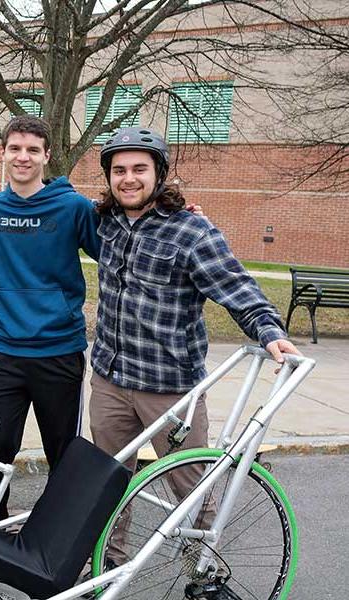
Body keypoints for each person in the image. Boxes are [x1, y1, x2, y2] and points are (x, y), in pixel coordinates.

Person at [88, 126, 300, 566]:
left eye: (140, 169)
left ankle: (202, 564)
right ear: (108, 176)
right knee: (107, 482)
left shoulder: (192, 231)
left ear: (160, 173)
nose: (129, 178)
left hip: (170, 388)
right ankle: (107, 563)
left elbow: (236, 286)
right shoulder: (103, 221)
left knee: (189, 484)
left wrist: (270, 331)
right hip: (109, 380)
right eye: (119, 170)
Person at [0, 115, 101, 521]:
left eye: (32, 150)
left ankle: (56, 529)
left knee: (62, 450)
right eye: (15, 148)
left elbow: (120, 247)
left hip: (60, 351)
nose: (23, 157)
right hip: (7, 350)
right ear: (3, 153)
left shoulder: (74, 207)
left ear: (47, 156)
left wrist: (173, 215)